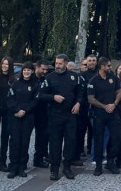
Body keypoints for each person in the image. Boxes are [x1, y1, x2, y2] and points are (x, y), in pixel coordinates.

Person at [39, 53, 82, 181]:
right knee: (55, 143)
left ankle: (67, 167)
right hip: (55, 115)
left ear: (66, 63)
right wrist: (53, 97)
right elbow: (40, 95)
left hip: (70, 115)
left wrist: (78, 103)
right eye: (56, 63)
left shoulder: (75, 77)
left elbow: (81, 93)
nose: (57, 66)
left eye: (60, 63)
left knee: (70, 142)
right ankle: (54, 169)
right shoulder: (50, 77)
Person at [87, 56, 121, 175]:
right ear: (102, 66)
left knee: (116, 138)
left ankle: (111, 161)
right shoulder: (93, 80)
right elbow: (91, 99)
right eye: (108, 65)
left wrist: (114, 104)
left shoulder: (113, 78)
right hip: (99, 114)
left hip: (113, 113)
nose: (110, 67)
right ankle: (98, 165)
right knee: (98, 139)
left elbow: (119, 92)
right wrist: (104, 106)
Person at [7, 60, 39, 178]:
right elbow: (10, 99)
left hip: (28, 117)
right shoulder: (16, 84)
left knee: (24, 142)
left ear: (32, 71)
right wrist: (17, 111)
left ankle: (21, 167)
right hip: (15, 116)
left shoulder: (35, 85)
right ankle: (13, 166)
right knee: (15, 142)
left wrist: (24, 111)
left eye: (28, 70)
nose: (26, 72)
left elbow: (35, 101)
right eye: (24, 70)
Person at [32, 60, 50, 169]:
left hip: (42, 111)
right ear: (37, 67)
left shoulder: (46, 80)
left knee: (42, 136)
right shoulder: (31, 78)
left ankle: (39, 158)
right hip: (31, 111)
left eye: (46, 70)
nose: (44, 71)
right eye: (43, 69)